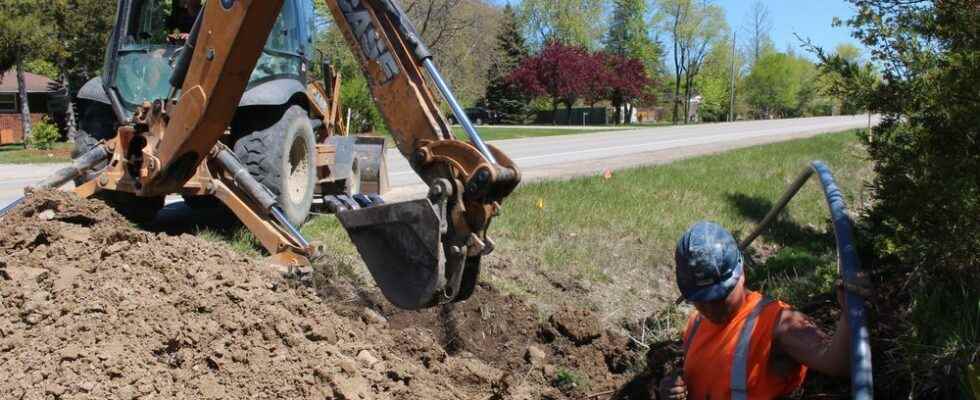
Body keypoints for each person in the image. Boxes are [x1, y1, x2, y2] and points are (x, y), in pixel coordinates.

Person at [656, 221, 868, 400]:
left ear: (741, 273)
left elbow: (838, 363)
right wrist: (672, 390)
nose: (710, 308)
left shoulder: (779, 324)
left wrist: (850, 312)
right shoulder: (694, 325)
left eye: (720, 297)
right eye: (701, 299)